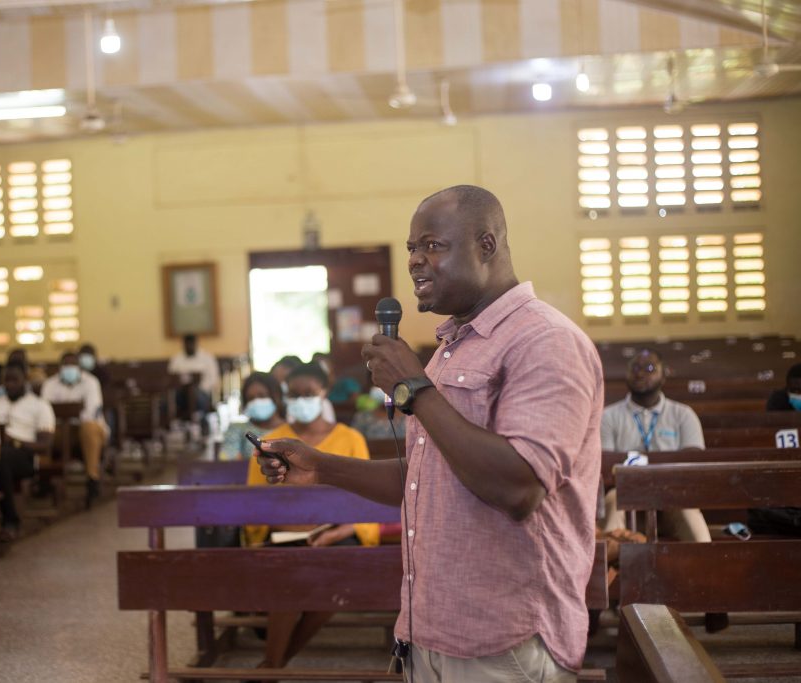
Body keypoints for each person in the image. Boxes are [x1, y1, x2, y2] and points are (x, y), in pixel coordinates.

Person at [257, 186, 601, 682]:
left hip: (505, 637)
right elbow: (429, 477)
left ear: (487, 245)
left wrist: (414, 388)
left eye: (433, 246)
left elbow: (518, 487)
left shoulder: (545, 343)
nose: (416, 261)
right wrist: (322, 466)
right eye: (411, 249)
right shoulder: (452, 347)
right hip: (431, 627)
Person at [245, 362, 378, 671]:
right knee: (290, 573)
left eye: (308, 393)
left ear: (324, 393)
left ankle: (271, 666)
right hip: (283, 535)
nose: (301, 400)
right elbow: (254, 504)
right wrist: (293, 528)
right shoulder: (272, 442)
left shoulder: (350, 438)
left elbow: (367, 500)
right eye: (294, 394)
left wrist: (335, 532)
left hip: (337, 535)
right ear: (285, 398)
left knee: (333, 579)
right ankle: (273, 665)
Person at [598, 349, 710, 542]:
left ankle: (708, 564)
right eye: (635, 368)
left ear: (663, 376)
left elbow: (693, 465)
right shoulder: (608, 416)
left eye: (649, 368)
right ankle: (607, 563)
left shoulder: (683, 414)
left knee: (686, 507)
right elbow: (605, 467)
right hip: (624, 493)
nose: (640, 373)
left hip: (672, 496)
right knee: (614, 499)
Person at [0, 362, 55, 540]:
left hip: (24, 456)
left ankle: (10, 522)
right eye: (6, 380)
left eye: (14, 380)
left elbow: (44, 445)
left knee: (3, 457)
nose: (10, 384)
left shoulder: (40, 405)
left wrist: (15, 442)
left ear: (25, 380)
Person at [40, 351, 108, 507]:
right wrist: (69, 413)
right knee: (43, 432)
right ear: (60, 367)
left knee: (89, 428)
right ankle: (44, 478)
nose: (69, 368)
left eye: (73, 365)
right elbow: (45, 413)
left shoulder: (91, 382)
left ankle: (92, 478)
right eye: (66, 365)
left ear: (79, 367)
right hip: (60, 430)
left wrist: (67, 413)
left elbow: (91, 412)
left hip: (85, 429)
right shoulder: (50, 384)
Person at [219, 372, 285, 461]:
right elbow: (229, 464)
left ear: (276, 396)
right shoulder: (237, 429)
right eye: (250, 398)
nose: (256, 401)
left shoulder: (294, 429)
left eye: (262, 396)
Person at [167, 334, 220, 433]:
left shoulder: (207, 358)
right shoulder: (177, 359)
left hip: (201, 394)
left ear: (195, 344)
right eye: (187, 344)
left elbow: (212, 379)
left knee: (196, 395)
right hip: (181, 395)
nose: (189, 346)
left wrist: (198, 389)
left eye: (191, 344)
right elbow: (172, 378)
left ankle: (202, 423)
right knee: (168, 401)